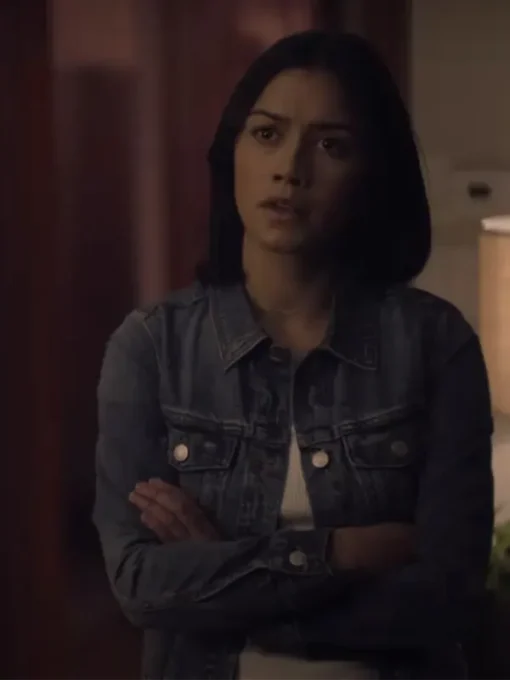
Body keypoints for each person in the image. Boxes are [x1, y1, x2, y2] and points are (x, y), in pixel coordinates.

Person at [93, 30, 494, 680]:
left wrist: (226, 577)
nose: (290, 169)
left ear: (372, 175)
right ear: (232, 152)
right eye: (267, 134)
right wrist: (342, 552)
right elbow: (141, 583)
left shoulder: (434, 344)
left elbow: (448, 597)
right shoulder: (152, 349)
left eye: (331, 145)